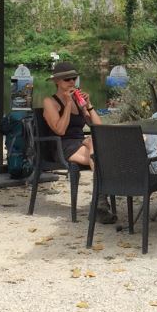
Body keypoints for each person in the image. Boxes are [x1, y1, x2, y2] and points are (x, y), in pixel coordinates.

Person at [41, 61, 114, 223]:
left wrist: (88, 105)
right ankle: (100, 204)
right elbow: (59, 130)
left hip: (81, 143)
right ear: (57, 82)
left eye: (74, 78)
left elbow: (97, 126)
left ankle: (99, 203)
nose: (72, 82)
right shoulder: (50, 102)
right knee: (100, 153)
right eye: (67, 79)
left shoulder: (77, 99)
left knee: (97, 151)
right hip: (62, 145)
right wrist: (67, 104)